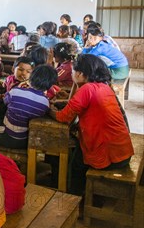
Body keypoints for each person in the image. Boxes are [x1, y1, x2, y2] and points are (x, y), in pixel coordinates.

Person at [50, 54, 133, 195]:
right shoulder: (104, 87)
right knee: (77, 150)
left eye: (73, 71)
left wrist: (49, 109)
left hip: (110, 156)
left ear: (80, 73)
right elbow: (73, 106)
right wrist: (76, 84)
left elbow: (63, 117)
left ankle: (76, 199)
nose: (71, 74)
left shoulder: (87, 89)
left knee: (76, 163)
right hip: (123, 152)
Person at [0, 65, 57, 149]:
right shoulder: (45, 102)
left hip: (9, 136)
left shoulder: (16, 91)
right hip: (26, 140)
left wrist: (19, 87)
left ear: (31, 77)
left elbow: (5, 101)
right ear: (50, 85)